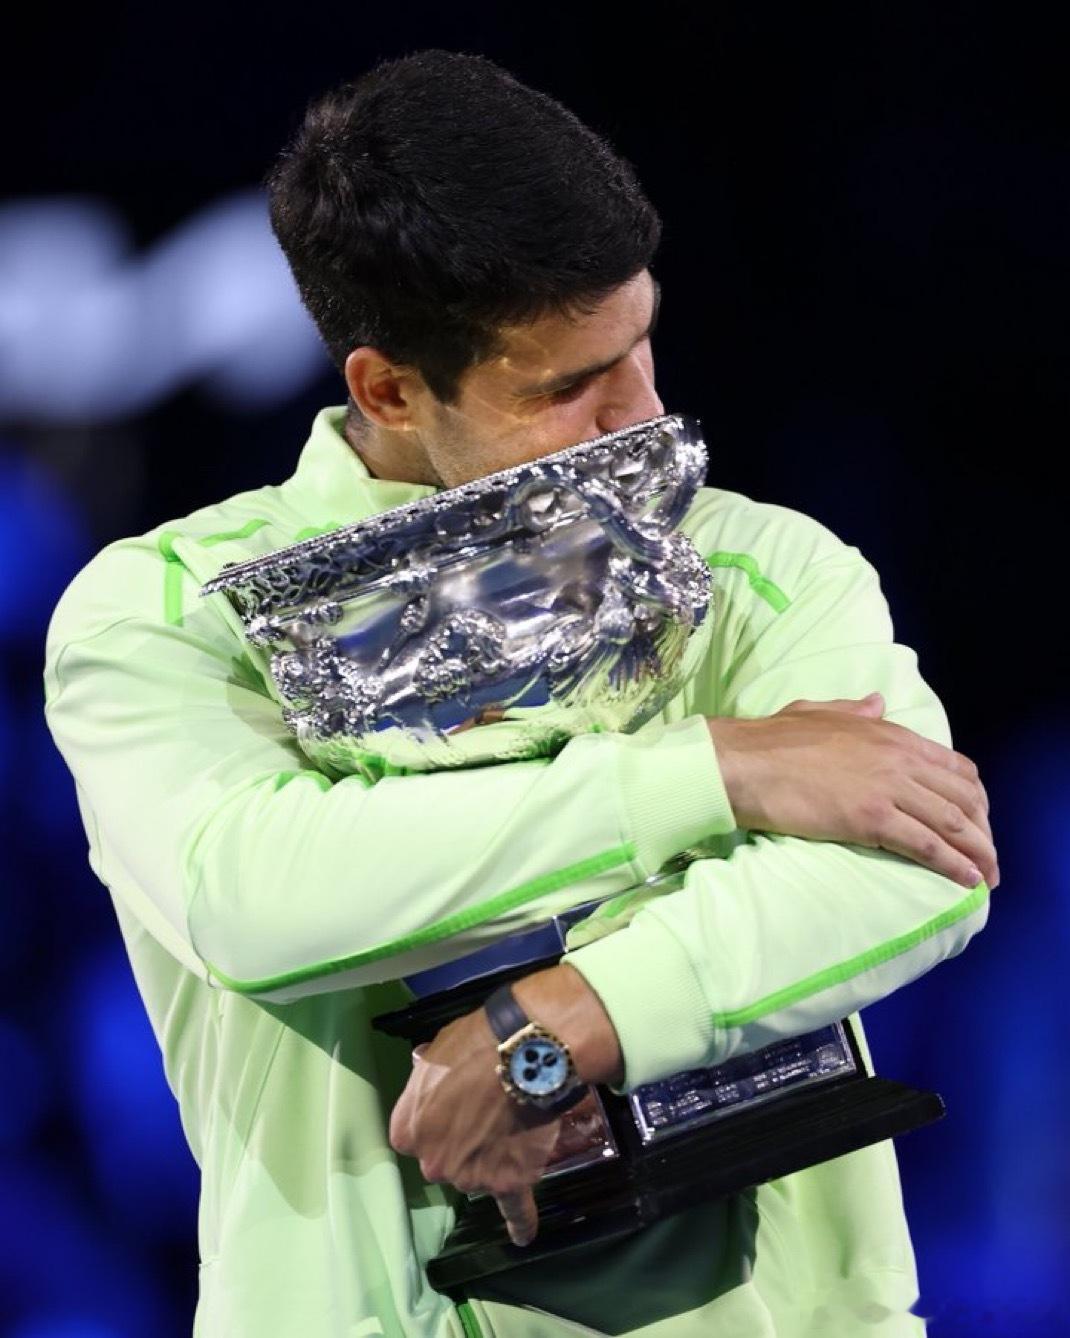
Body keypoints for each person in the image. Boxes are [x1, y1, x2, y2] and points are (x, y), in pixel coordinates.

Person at [43, 49, 998, 1338]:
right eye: (563, 389)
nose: (640, 418)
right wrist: (710, 771)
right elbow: (252, 895)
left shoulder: (764, 568)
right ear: (387, 388)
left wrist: (566, 1025)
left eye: (640, 345)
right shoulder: (167, 611)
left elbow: (923, 860)